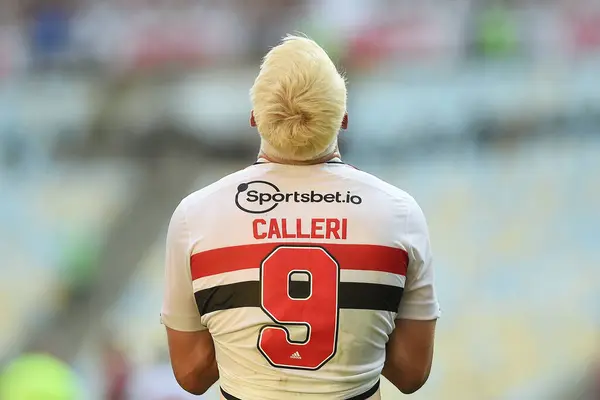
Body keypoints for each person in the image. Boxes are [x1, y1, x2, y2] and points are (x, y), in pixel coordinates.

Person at [161, 34, 440, 400]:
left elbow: (191, 375)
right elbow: (411, 373)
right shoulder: (399, 213)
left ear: (254, 118)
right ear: (342, 118)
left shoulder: (195, 216)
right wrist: (351, 320)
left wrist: (246, 325)